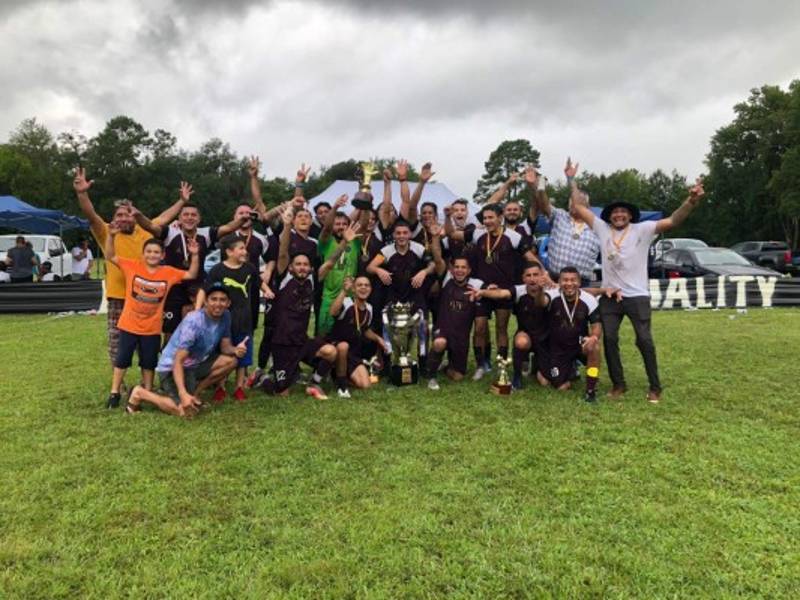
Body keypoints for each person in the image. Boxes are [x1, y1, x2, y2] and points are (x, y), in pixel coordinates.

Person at [571, 176, 705, 402]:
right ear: (609, 216)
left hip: (638, 295)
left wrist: (690, 201)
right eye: (615, 212)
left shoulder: (643, 229)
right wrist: (571, 179)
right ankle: (618, 385)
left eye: (623, 212)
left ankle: (655, 387)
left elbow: (672, 221)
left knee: (644, 339)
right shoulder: (602, 229)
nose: (619, 215)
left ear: (630, 215)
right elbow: (578, 207)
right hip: (610, 295)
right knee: (610, 339)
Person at [73, 167, 186, 365]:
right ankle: (119, 384)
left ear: (134, 216)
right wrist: (82, 193)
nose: (123, 218)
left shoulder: (145, 228)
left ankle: (146, 380)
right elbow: (90, 214)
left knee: (147, 341)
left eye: (127, 214)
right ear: (114, 218)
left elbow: (166, 216)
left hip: (147, 296)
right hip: (118, 296)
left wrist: (182, 201)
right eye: (119, 215)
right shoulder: (107, 231)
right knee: (117, 340)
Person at [104, 227, 200, 409]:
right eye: (148, 251)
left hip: (152, 328)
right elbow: (110, 256)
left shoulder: (168, 272)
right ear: (143, 254)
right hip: (129, 325)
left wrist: (194, 255)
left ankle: (147, 391)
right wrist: (111, 235)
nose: (152, 255)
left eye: (156, 252)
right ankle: (114, 392)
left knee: (148, 362)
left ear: (162, 254)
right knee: (122, 359)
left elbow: (191, 274)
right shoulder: (132, 266)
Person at [134, 188, 245, 339]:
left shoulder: (206, 234)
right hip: (174, 287)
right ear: (179, 219)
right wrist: (138, 215)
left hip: (197, 287)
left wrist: (244, 218)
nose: (189, 218)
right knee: (170, 331)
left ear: (199, 219)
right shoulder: (170, 233)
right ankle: (168, 359)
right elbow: (150, 226)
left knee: (197, 328)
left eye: (193, 215)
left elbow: (229, 227)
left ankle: (197, 360)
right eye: (185, 215)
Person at [445, 204, 539, 380]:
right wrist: (447, 217)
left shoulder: (514, 237)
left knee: (501, 328)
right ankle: (481, 365)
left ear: (500, 217)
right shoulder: (477, 234)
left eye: (491, 217)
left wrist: (545, 275)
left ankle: (501, 365)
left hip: (504, 290)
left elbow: (530, 258)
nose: (487, 221)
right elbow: (452, 234)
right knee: (479, 327)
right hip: (481, 288)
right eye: (485, 218)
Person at [127, 281, 244, 416]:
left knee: (232, 361)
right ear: (205, 301)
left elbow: (225, 347)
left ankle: (194, 394)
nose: (218, 304)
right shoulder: (194, 322)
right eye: (214, 299)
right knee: (185, 412)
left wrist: (235, 350)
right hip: (171, 367)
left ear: (228, 303)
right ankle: (140, 393)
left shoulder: (226, 316)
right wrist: (182, 394)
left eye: (223, 300)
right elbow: (178, 360)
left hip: (194, 365)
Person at [258, 208, 337, 398]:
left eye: (305, 265)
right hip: (283, 344)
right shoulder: (285, 276)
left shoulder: (311, 279)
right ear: (291, 267)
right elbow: (283, 251)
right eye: (298, 264)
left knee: (331, 352)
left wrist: (344, 243)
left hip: (301, 341)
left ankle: (314, 383)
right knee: (282, 393)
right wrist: (286, 225)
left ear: (310, 268)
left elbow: (331, 261)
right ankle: (266, 379)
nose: (302, 267)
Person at [197, 234, 264, 402]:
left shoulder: (249, 268)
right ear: (229, 251)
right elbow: (205, 289)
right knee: (223, 353)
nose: (245, 251)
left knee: (243, 355)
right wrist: (198, 310)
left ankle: (239, 387)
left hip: (245, 319)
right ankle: (220, 386)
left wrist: (268, 291)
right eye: (241, 248)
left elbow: (259, 282)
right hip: (223, 320)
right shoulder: (218, 269)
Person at [469, 262, 550, 390]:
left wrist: (541, 289)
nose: (532, 278)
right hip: (526, 335)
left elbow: (541, 303)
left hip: (546, 339)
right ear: (523, 278)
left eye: (536, 275)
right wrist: (482, 292)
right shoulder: (519, 290)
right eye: (528, 275)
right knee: (521, 341)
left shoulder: (550, 290)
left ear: (542, 276)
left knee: (545, 382)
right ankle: (517, 378)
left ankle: (537, 366)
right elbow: (502, 293)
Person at [367, 219, 436, 369]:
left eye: (405, 233)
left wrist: (424, 272)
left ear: (410, 234)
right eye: (398, 233)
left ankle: (423, 363)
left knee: (423, 325)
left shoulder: (419, 248)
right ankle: (389, 364)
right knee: (387, 326)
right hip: (393, 295)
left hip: (415, 294)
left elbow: (432, 265)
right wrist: (379, 270)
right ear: (393, 235)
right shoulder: (386, 251)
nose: (401, 236)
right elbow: (370, 267)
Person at [534, 267, 602, 402]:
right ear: (559, 281)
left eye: (573, 280)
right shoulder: (552, 295)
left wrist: (594, 337)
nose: (569, 283)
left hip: (579, 343)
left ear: (579, 282)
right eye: (565, 280)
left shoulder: (589, 300)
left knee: (594, 347)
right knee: (560, 386)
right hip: (557, 348)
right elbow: (540, 302)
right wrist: (540, 290)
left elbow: (596, 326)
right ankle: (549, 370)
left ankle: (590, 390)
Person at [535, 158, 600, 286]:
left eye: (579, 201)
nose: (574, 204)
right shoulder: (560, 215)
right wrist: (541, 188)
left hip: (582, 282)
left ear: (588, 205)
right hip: (554, 278)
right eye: (572, 201)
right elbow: (544, 205)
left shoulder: (597, 225)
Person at [426, 252, 485, 390]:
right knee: (440, 342)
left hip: (460, 338)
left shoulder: (476, 288)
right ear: (452, 269)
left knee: (457, 377)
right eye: (456, 267)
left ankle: (447, 365)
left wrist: (490, 289)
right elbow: (438, 259)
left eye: (463, 267)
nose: (459, 270)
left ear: (469, 270)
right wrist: (435, 237)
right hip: (443, 332)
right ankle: (431, 376)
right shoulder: (446, 280)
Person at [327, 276, 387, 397]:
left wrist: (378, 338)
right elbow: (332, 312)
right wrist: (344, 291)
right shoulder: (347, 302)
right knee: (343, 346)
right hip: (337, 349)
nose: (363, 288)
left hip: (353, 354)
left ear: (370, 289)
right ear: (353, 289)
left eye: (366, 285)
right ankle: (341, 385)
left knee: (365, 385)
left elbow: (364, 330)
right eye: (359, 285)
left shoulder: (369, 308)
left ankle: (338, 376)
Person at [317, 194, 362, 336]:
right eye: (338, 224)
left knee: (348, 334)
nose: (341, 227)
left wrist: (364, 201)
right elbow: (326, 228)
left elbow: (364, 222)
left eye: (344, 224)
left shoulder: (354, 241)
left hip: (349, 295)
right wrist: (335, 207)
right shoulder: (326, 241)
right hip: (329, 296)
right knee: (324, 334)